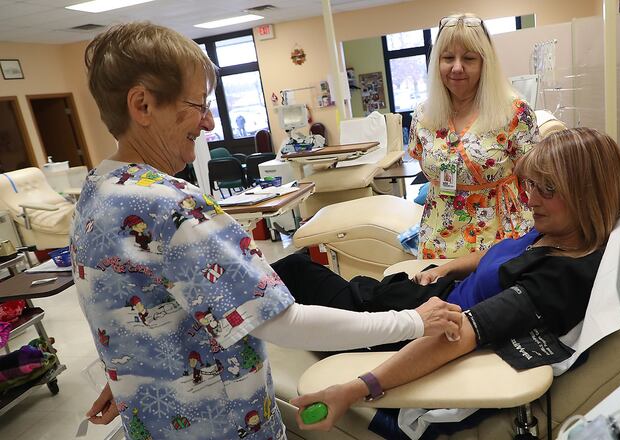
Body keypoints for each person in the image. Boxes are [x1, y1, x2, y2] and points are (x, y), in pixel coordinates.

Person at [74, 22, 463, 440]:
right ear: (143, 105)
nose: (208, 123)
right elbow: (282, 322)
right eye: (199, 105)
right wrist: (411, 321)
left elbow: (133, 307)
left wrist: (133, 375)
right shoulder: (168, 206)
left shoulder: (97, 192)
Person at [289, 127, 620, 433]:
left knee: (293, 271)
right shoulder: (559, 232)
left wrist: (355, 388)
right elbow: (500, 254)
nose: (531, 199)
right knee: (309, 274)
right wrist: (446, 268)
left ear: (588, 193)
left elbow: (459, 334)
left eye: (548, 188)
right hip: (425, 297)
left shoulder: (560, 279)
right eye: (532, 185)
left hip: (400, 333)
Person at [409, 13, 539, 260]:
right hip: (437, 240)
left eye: (468, 58)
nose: (457, 67)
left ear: (484, 62)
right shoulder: (423, 115)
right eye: (448, 58)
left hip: (499, 241)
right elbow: (424, 165)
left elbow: (533, 177)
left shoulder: (514, 112)